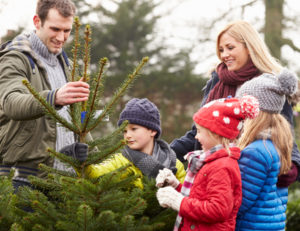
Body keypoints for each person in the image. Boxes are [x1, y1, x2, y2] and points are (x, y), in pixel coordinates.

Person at [170, 20, 300, 186]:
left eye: (230, 48)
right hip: (211, 176)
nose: (224, 55)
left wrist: (289, 169)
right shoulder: (216, 82)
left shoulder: (271, 86)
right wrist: (165, 152)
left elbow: (285, 135)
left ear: (249, 47)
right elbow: (199, 132)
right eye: (221, 50)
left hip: (251, 178)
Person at [0, 0, 90, 189]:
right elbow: (11, 103)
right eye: (55, 29)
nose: (61, 37)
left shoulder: (66, 65)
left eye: (66, 31)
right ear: (37, 21)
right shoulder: (15, 58)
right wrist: (54, 97)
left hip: (64, 182)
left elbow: (72, 120)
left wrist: (88, 149)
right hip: (21, 181)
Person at [155, 95, 260, 231]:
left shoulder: (222, 166)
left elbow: (218, 209)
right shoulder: (210, 161)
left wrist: (178, 201)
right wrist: (175, 185)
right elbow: (197, 197)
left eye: (199, 131)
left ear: (215, 133)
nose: (196, 137)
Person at [60, 98, 186, 188]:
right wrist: (80, 162)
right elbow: (96, 175)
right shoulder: (121, 161)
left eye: (134, 129)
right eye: (124, 131)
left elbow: (186, 195)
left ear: (152, 131)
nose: (128, 135)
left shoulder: (174, 163)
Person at [234, 69, 297, 230]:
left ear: (255, 113)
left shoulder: (255, 152)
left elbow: (239, 203)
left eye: (244, 108)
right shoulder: (276, 145)